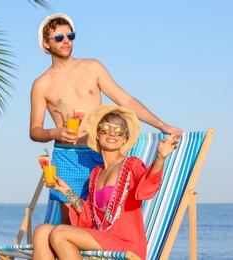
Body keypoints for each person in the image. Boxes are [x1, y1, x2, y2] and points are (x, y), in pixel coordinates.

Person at [30, 13, 181, 224]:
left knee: (105, 217)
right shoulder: (41, 84)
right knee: (71, 222)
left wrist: (162, 125)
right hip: (68, 156)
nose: (66, 41)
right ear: (47, 43)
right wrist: (55, 132)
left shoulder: (92, 67)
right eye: (59, 37)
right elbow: (34, 131)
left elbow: (126, 100)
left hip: (101, 152)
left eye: (70, 35)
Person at [32, 104, 182, 260]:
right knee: (42, 231)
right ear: (97, 134)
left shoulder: (132, 165)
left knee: (60, 233)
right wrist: (65, 190)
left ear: (125, 139)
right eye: (105, 129)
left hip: (125, 243)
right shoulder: (96, 173)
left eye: (119, 131)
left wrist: (160, 157)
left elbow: (146, 189)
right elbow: (90, 217)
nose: (112, 134)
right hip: (101, 237)